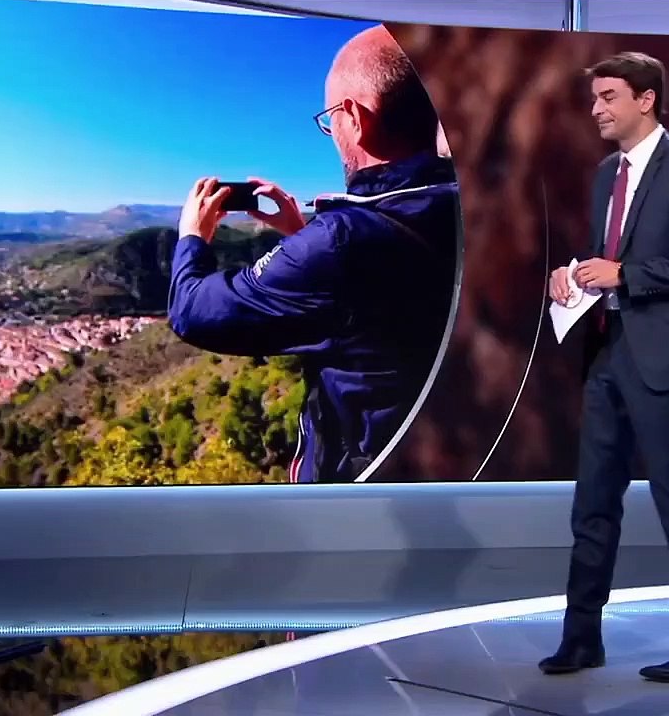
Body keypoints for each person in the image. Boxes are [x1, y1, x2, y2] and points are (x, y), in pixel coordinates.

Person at [168, 26, 459, 484]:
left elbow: (192, 311)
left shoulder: (340, 243)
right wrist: (303, 235)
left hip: (367, 482)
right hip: (450, 458)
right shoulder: (466, 203)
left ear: (355, 117)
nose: (332, 133)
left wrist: (192, 236)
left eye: (330, 119)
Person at [542, 51, 669, 684]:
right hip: (606, 351)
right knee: (592, 502)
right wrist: (573, 273)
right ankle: (581, 639)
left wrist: (627, 276)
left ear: (646, 100)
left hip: (665, 357)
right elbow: (610, 256)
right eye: (594, 98)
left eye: (608, 97)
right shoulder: (607, 175)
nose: (596, 109)